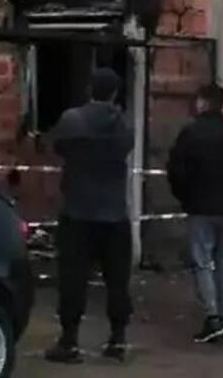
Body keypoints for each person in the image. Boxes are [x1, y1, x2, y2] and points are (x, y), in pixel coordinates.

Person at [45, 68, 135, 364]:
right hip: (114, 212)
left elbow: (58, 146)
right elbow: (126, 145)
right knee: (117, 280)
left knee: (73, 279)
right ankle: (118, 340)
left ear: (89, 90)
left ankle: (69, 341)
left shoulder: (72, 120)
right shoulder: (122, 124)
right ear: (115, 94)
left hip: (78, 211)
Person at [169, 83, 223, 344]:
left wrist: (186, 196)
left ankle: (212, 317)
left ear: (202, 102)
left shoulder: (190, 134)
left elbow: (176, 172)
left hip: (199, 207)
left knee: (202, 262)